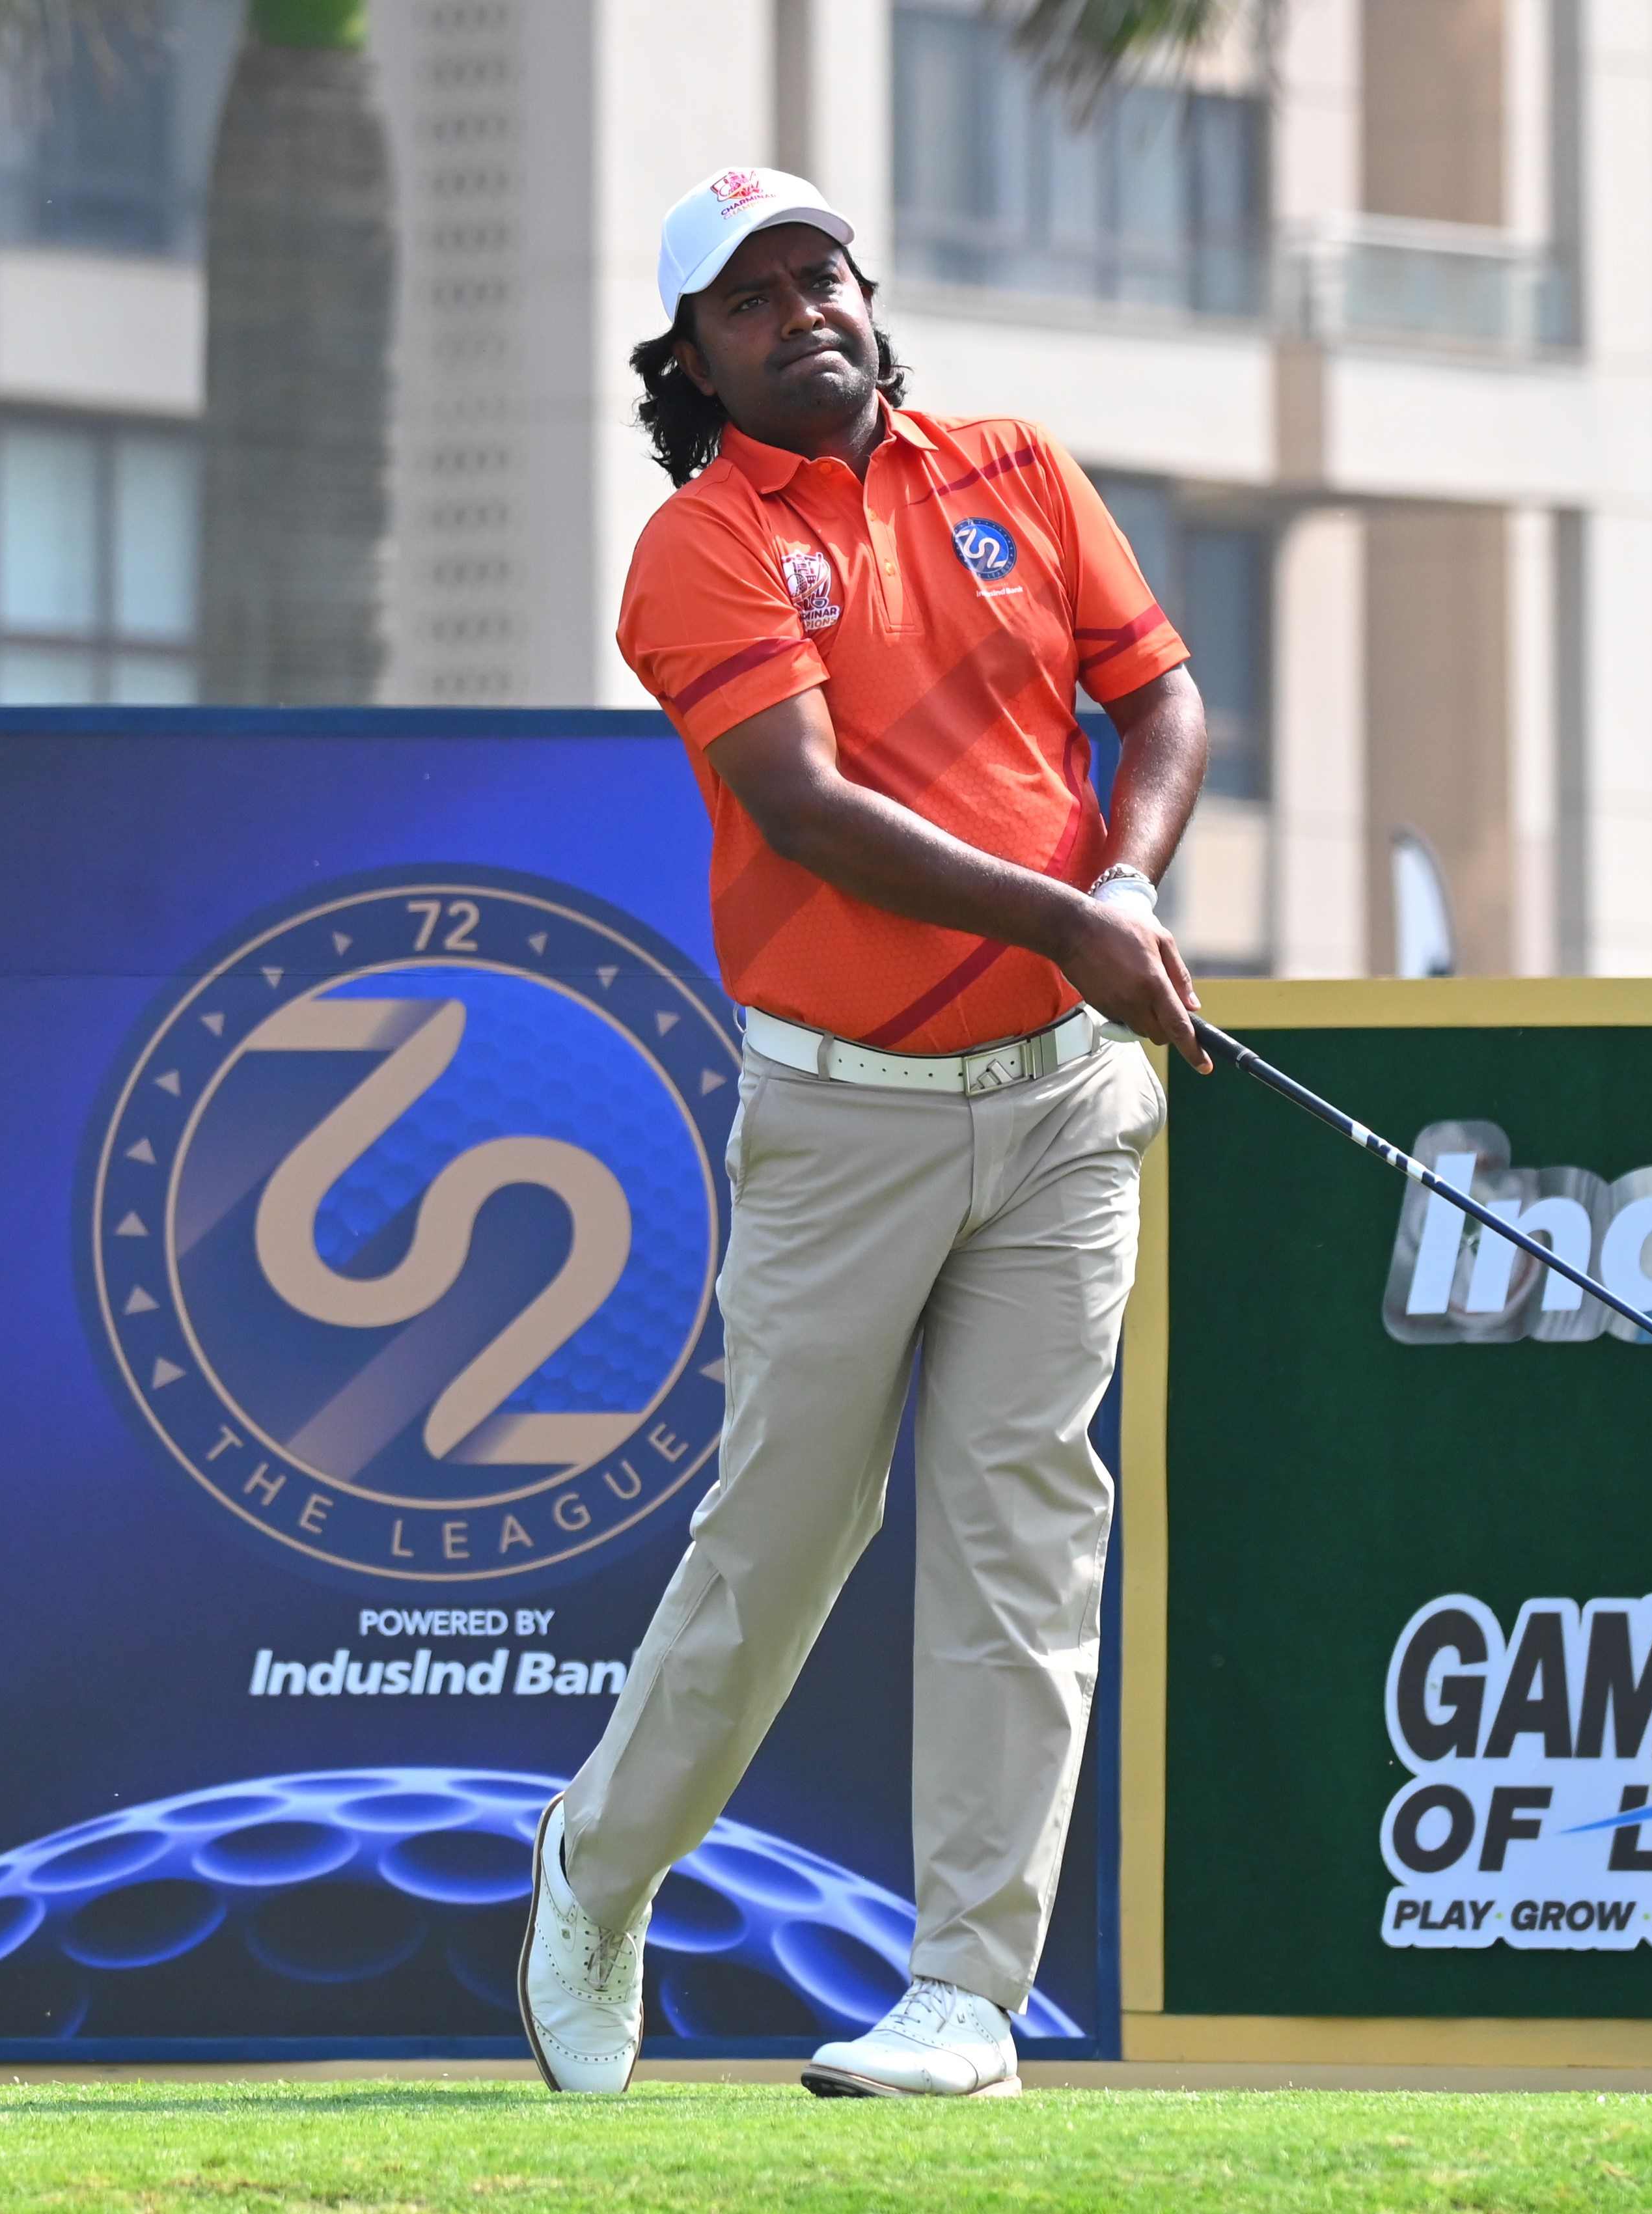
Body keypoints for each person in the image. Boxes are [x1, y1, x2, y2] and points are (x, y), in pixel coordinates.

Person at [514, 165, 1213, 2101]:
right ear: (692, 362)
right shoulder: (702, 547)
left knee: (1025, 1534)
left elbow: (1159, 701)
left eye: (819, 276)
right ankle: (599, 1867)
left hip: (1064, 1106)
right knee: (788, 1539)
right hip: (845, 1114)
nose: (799, 313)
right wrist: (1071, 920)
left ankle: (968, 1998)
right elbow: (805, 808)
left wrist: (1124, 888)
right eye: (748, 301)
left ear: (869, 294)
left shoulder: (1015, 468)